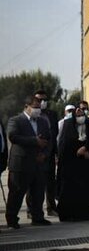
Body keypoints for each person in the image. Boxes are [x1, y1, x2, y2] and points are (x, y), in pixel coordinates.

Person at [5, 95, 53, 228]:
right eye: (35, 107)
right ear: (27, 107)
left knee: (37, 192)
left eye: (39, 107)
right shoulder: (16, 120)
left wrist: (44, 154)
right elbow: (13, 136)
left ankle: (37, 217)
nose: (38, 110)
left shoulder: (43, 121)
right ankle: (12, 219)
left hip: (39, 163)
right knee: (17, 192)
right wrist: (34, 141)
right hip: (21, 164)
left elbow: (49, 140)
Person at [56, 108, 89, 221]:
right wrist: (76, 151)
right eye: (78, 115)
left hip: (86, 164)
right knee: (70, 190)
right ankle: (68, 215)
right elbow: (64, 144)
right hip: (71, 164)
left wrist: (87, 149)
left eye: (82, 115)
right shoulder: (68, 125)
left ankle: (86, 214)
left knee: (86, 189)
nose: (80, 117)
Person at [33, 90, 59, 217]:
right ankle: (32, 210)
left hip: (49, 154)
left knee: (50, 182)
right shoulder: (32, 114)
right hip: (36, 155)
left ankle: (51, 207)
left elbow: (55, 135)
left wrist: (55, 153)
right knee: (34, 184)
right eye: (39, 100)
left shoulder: (52, 115)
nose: (42, 102)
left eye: (44, 100)